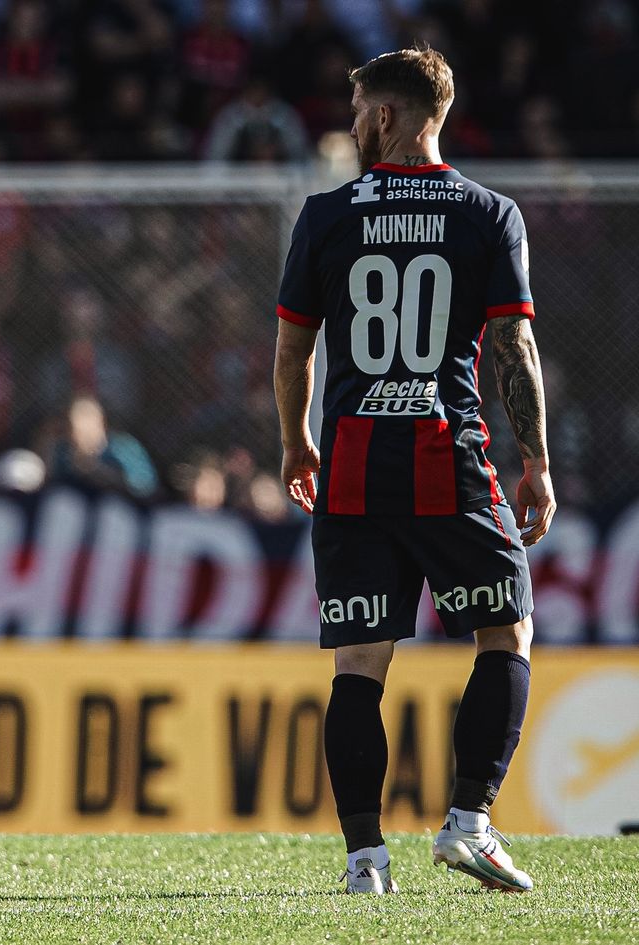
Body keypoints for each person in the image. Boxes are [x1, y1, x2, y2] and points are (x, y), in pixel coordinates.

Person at [273, 47, 555, 895]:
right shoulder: (488, 214)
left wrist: (296, 441)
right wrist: (536, 458)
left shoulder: (325, 215)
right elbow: (513, 343)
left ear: (389, 116)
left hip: (354, 465)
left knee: (359, 662)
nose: (352, 124)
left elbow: (294, 349)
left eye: (359, 110)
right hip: (447, 456)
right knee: (505, 632)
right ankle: (469, 822)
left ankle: (366, 861)